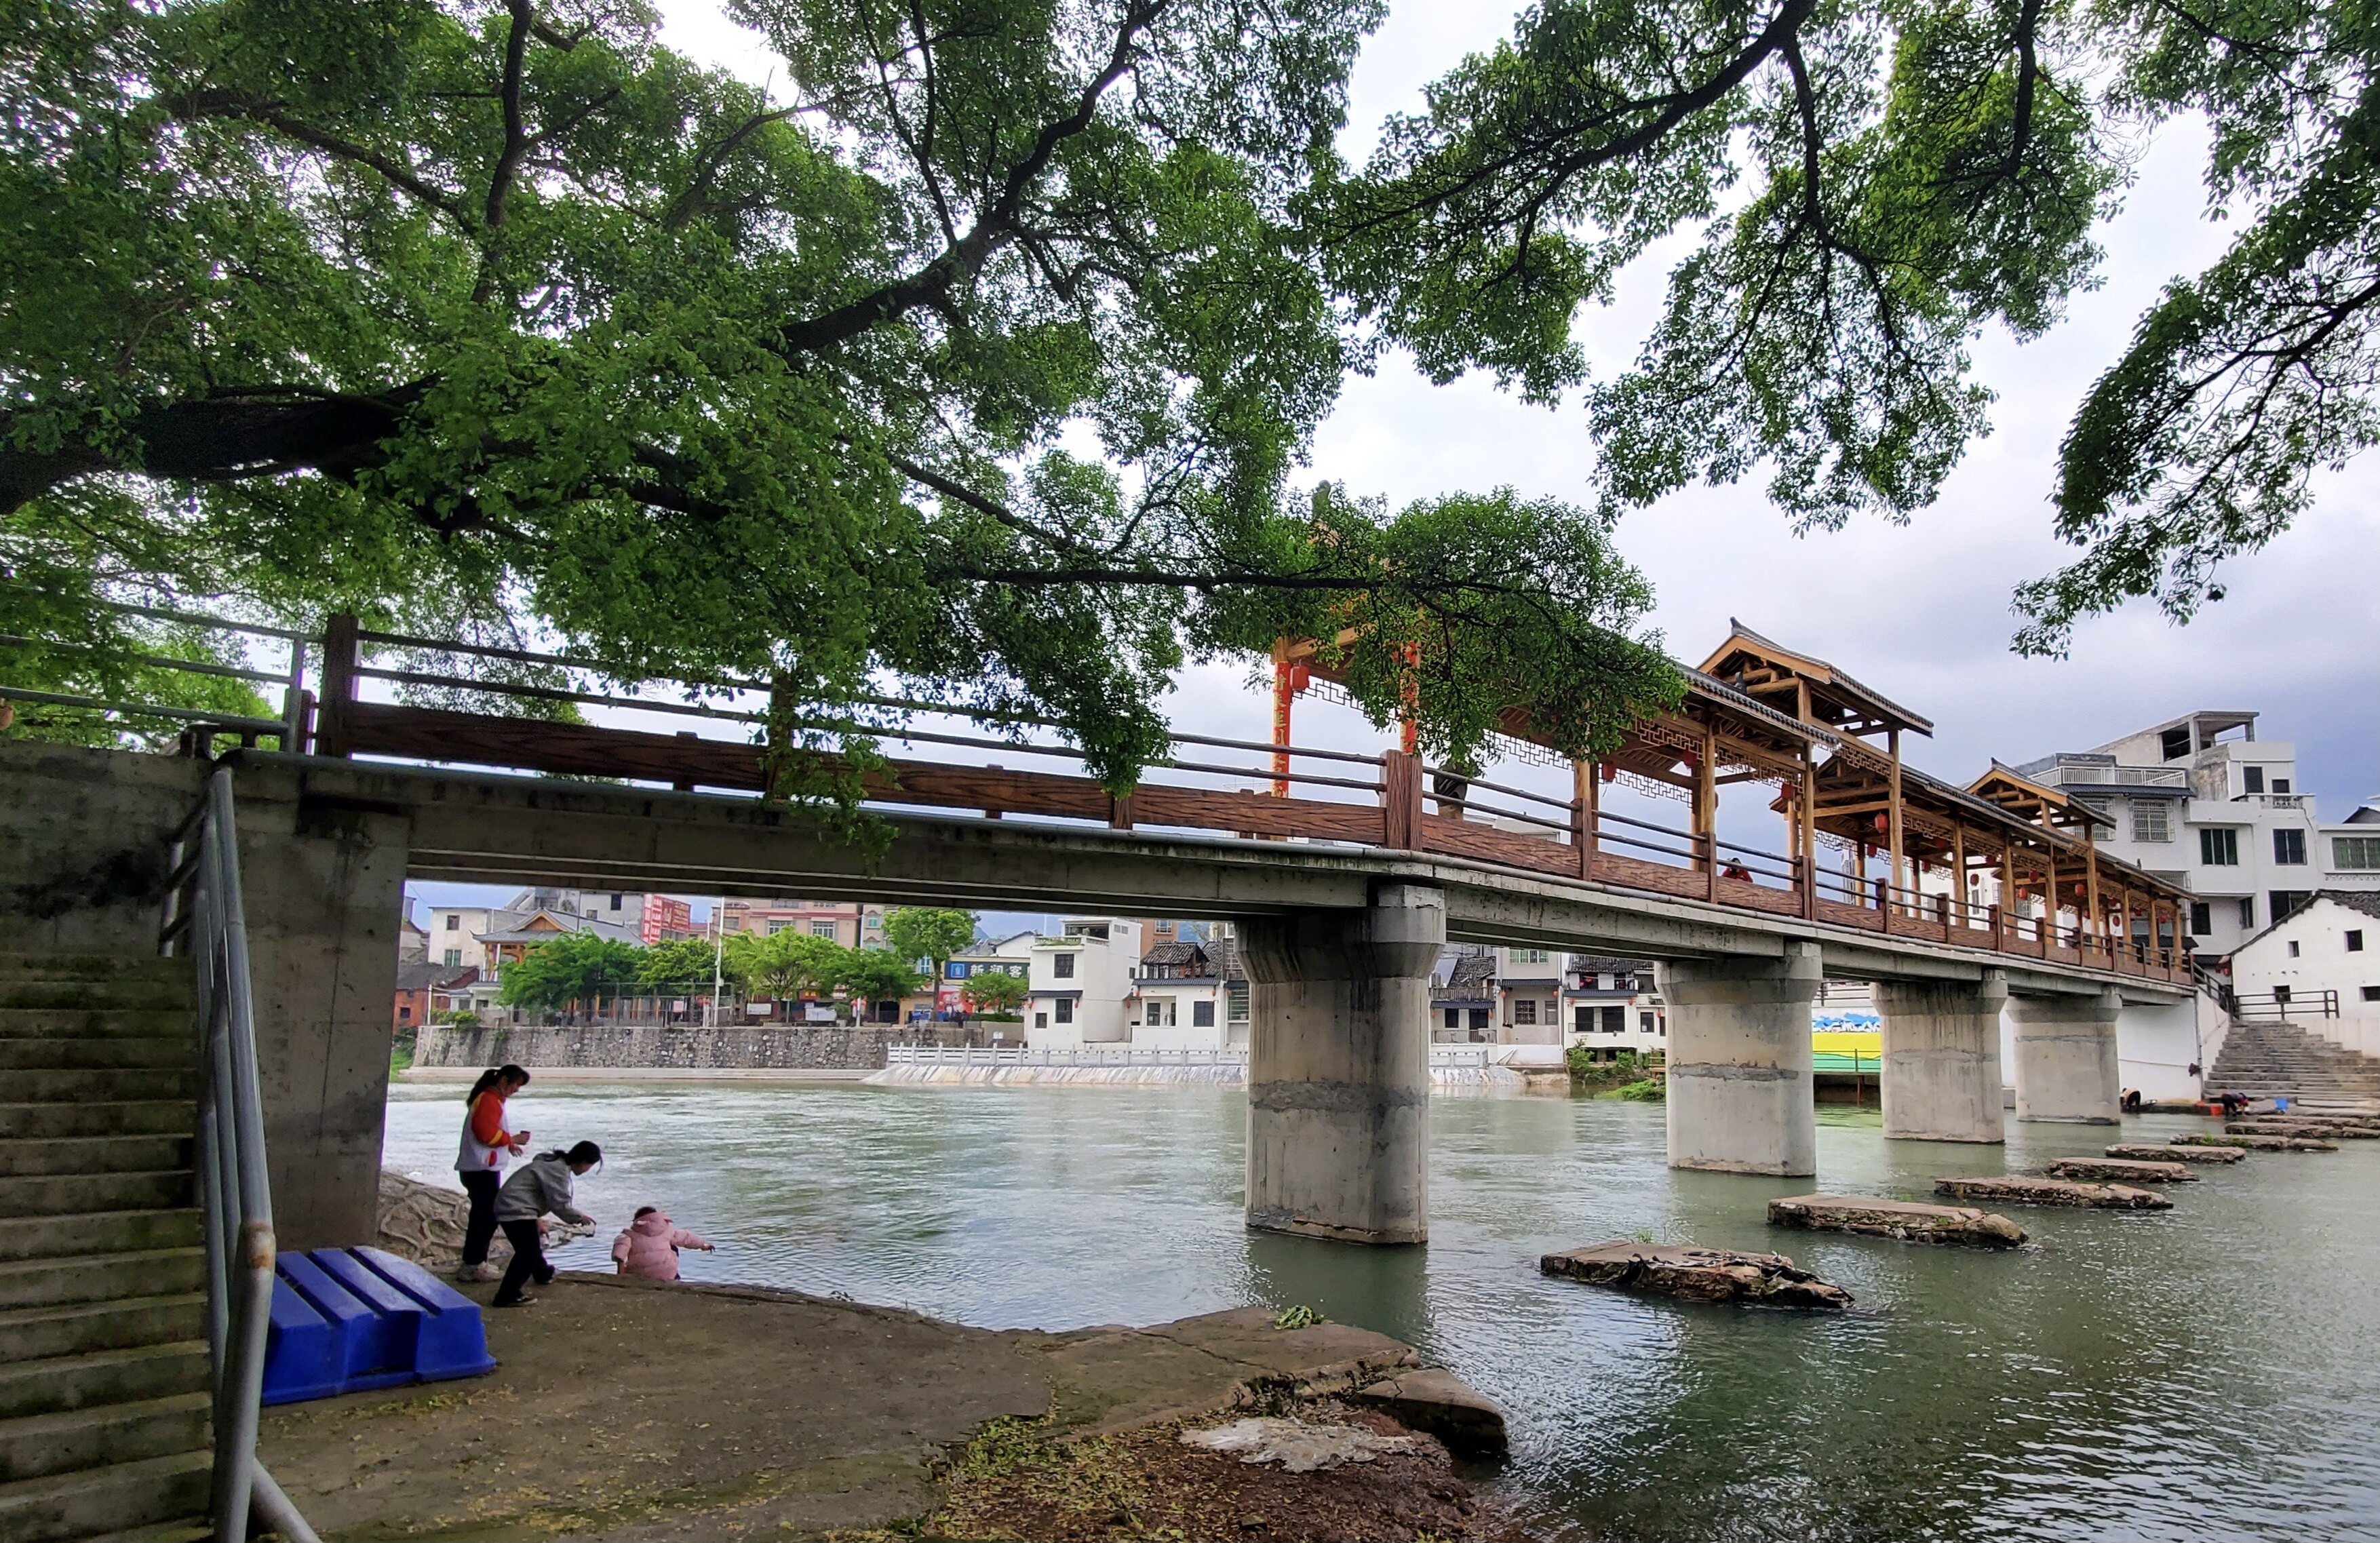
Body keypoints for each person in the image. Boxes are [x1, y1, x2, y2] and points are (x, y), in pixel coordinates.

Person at [490, 1140, 600, 1308]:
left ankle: (543, 1273)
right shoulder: (558, 1171)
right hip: (515, 1209)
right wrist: (580, 1218)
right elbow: (560, 1204)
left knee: (531, 1247)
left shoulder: (552, 1163)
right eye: (589, 1166)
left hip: (513, 1205)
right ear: (584, 1162)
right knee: (527, 1253)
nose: (587, 1170)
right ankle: (507, 1295)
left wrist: (537, 1219)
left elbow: (534, 1193)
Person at [454, 1065, 531, 1283]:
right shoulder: (490, 1100)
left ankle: (474, 1263)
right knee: (485, 1219)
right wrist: (512, 1140)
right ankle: (474, 1265)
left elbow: (487, 1133)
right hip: (481, 1169)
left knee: (484, 1217)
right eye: (516, 1084)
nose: (516, 1089)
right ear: (504, 1080)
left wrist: (507, 1145)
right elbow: (485, 1134)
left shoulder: (488, 1098)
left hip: (477, 1168)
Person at [611, 1205, 715, 1282]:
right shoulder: (668, 1231)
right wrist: (703, 1245)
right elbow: (687, 1238)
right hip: (667, 1276)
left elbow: (619, 1255)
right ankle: (675, 1280)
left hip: (637, 1276)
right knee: (672, 1246)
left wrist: (621, 1276)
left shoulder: (628, 1236)